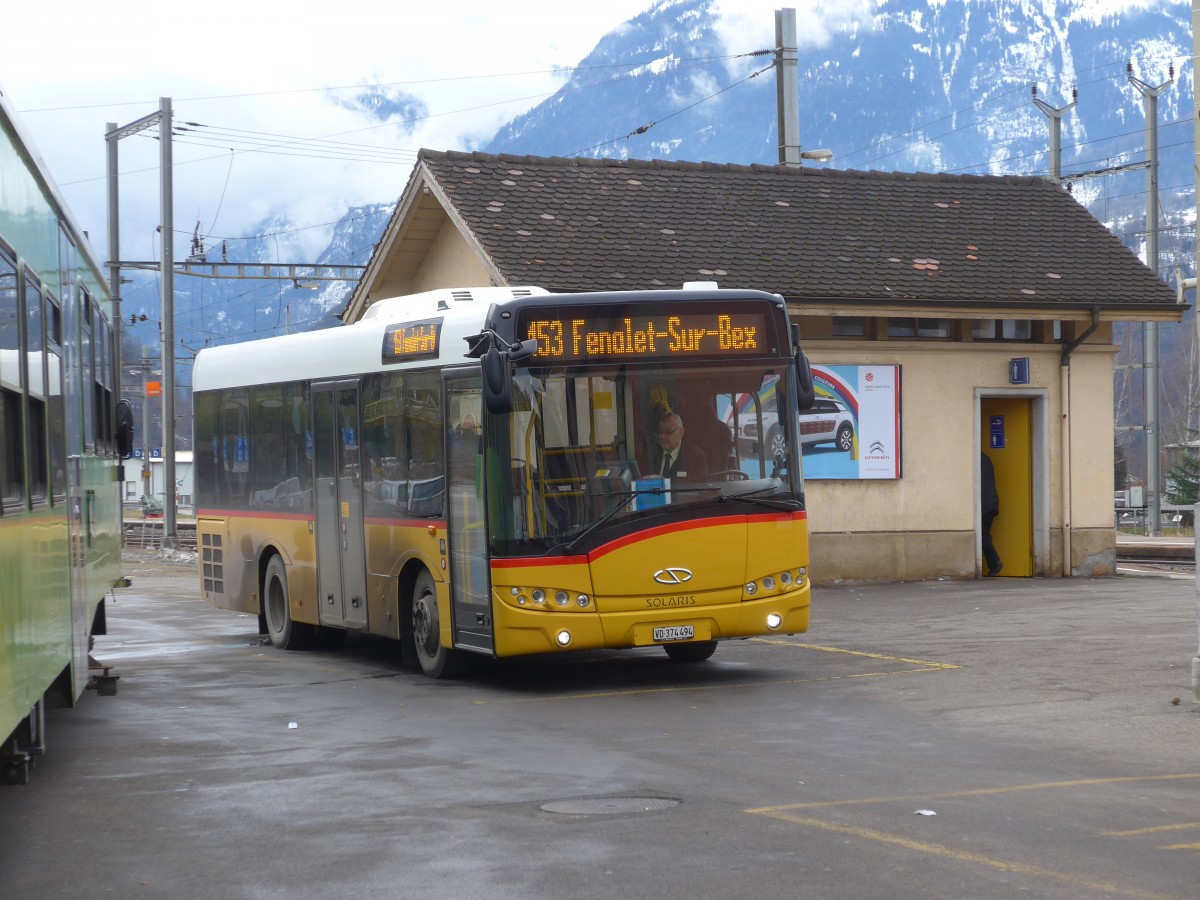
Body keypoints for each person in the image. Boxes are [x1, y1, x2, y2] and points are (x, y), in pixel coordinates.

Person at [652, 412, 708, 481]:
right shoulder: (653, 454)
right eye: (660, 432)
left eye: (668, 432)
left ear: (681, 432)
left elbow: (698, 486)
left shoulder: (695, 456)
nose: (662, 437)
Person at [980, 451, 1003, 576]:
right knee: (984, 534)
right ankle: (993, 562)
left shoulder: (973, 459)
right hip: (990, 502)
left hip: (983, 503)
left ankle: (994, 562)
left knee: (981, 534)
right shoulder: (985, 458)